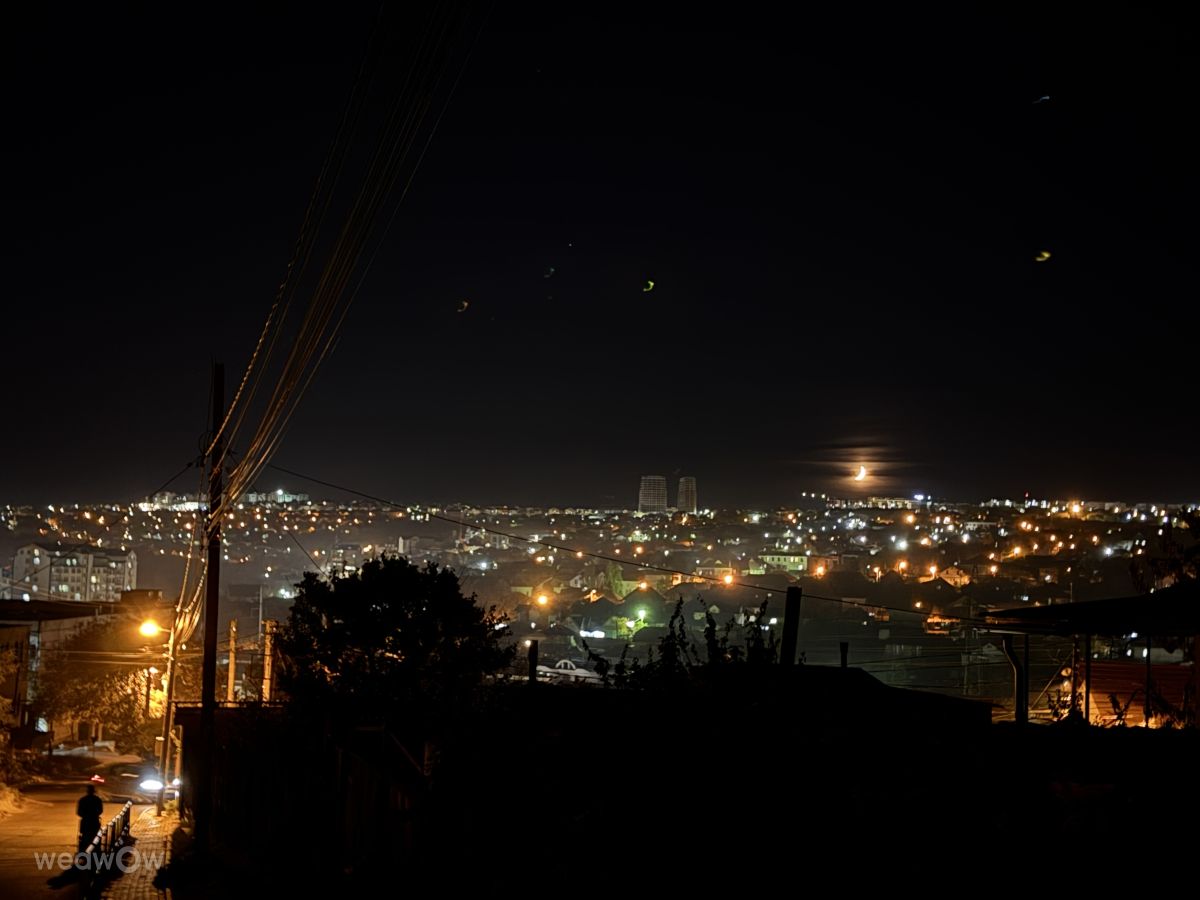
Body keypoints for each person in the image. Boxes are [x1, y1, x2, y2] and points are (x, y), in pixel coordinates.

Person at [76, 784, 103, 853]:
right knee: (95, 837)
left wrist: (85, 815)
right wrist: (94, 814)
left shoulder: (82, 800)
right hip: (94, 821)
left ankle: (84, 851)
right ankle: (95, 851)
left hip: (85, 821)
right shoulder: (97, 800)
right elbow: (100, 811)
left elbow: (78, 812)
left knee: (84, 837)